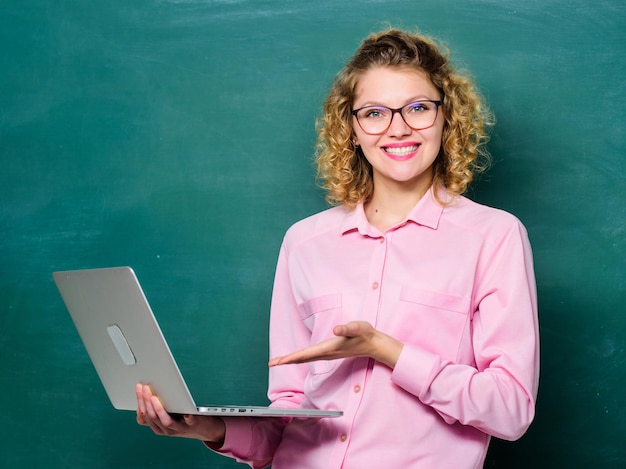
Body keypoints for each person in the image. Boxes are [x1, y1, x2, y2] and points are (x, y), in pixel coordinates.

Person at [136, 28, 539, 468]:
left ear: (448, 117)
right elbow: (289, 418)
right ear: (350, 128)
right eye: (374, 113)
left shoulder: (493, 236)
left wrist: (386, 349)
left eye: (419, 108)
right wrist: (208, 428)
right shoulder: (305, 242)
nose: (398, 127)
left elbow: (510, 410)